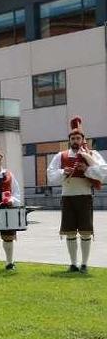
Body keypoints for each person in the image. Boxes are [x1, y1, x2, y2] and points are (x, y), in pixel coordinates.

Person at [46, 116, 107, 273]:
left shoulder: (91, 154)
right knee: (70, 232)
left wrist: (86, 169)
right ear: (69, 140)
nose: (75, 140)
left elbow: (103, 173)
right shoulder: (61, 156)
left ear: (82, 139)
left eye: (78, 138)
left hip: (85, 196)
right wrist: (63, 172)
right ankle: (73, 264)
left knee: (86, 232)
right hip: (67, 197)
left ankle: (84, 264)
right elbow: (50, 175)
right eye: (73, 138)